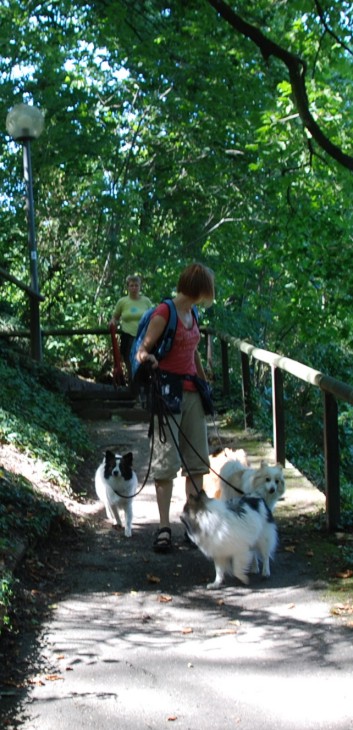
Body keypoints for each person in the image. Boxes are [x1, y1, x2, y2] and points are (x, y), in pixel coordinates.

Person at [136, 262, 215, 553]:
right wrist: (149, 359)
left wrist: (205, 385)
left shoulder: (192, 313)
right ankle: (163, 528)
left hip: (193, 393)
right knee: (165, 465)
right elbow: (143, 350)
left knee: (197, 464)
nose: (208, 296)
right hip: (167, 394)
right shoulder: (164, 313)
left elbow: (193, 354)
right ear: (197, 289)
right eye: (206, 290)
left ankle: (192, 525)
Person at [110, 275, 152, 386]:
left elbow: (153, 316)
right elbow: (115, 317)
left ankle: (141, 384)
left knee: (141, 360)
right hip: (127, 335)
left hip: (143, 336)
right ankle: (132, 382)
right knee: (128, 358)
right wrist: (113, 322)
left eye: (136, 285)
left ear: (140, 287)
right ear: (128, 287)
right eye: (131, 285)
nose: (134, 288)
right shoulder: (122, 302)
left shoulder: (146, 301)